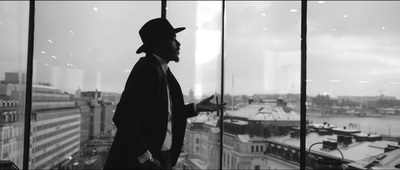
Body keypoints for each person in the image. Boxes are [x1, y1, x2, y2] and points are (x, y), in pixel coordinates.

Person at [103, 18, 225, 170]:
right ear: (159, 44)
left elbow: (163, 113)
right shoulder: (147, 69)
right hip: (143, 162)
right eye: (173, 39)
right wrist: (146, 158)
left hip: (160, 157)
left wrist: (196, 108)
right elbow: (123, 115)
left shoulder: (162, 71)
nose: (178, 44)